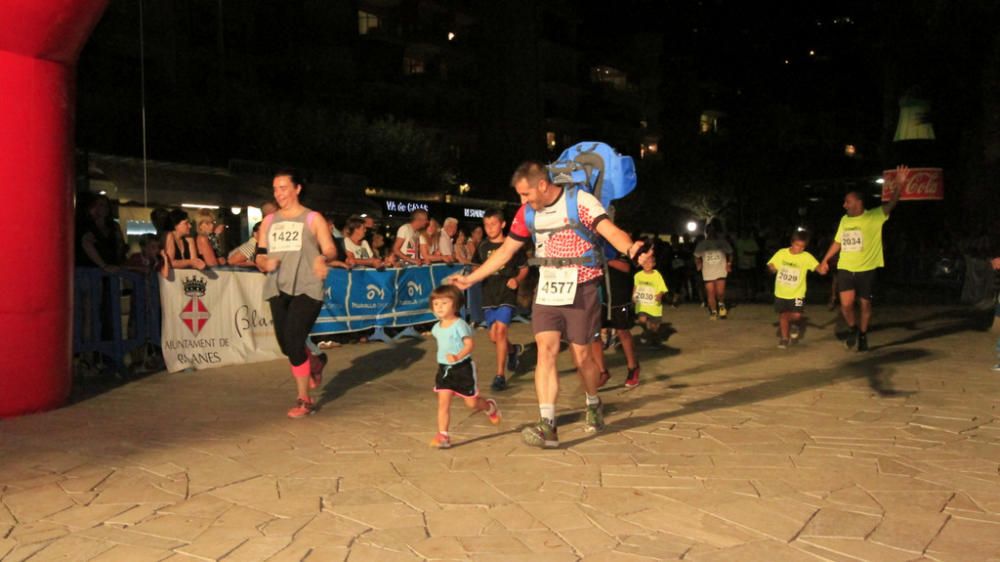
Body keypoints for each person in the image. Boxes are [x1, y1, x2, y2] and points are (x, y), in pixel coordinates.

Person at [450, 161, 651, 448]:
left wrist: (632, 249)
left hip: (582, 286)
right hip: (547, 290)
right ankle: (548, 425)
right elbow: (506, 251)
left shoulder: (580, 202)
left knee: (582, 357)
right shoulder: (527, 212)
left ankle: (593, 401)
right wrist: (472, 279)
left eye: (526, 194)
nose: (522, 201)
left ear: (542, 185)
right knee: (546, 351)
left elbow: (610, 232)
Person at [255, 171, 338, 418]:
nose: (278, 193)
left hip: (308, 286)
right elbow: (259, 253)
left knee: (293, 339)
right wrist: (263, 262)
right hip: (277, 286)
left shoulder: (313, 218)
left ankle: (304, 400)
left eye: (283, 187)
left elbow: (331, 249)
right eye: (275, 189)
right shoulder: (269, 221)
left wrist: (324, 258)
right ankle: (315, 362)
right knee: (286, 346)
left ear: (297, 189)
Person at [819, 165, 907, 351]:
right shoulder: (845, 220)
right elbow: (838, 242)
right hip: (846, 267)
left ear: (858, 202)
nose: (844, 205)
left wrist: (899, 185)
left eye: (847, 202)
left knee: (865, 305)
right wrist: (825, 260)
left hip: (866, 269)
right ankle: (853, 328)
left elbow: (892, 203)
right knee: (846, 305)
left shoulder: (875, 216)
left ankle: (864, 334)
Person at [428, 285, 502, 449]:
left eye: (444, 303)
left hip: (463, 369)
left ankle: (489, 407)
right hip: (444, 370)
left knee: (471, 404)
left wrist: (457, 356)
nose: (439, 307)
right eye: (436, 304)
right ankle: (443, 435)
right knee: (443, 403)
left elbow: (469, 344)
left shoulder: (460, 324)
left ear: (455, 305)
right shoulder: (435, 328)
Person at [472, 209, 528, 391]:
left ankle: (500, 375)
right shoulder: (482, 247)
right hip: (489, 294)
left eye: (493, 224)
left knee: (501, 331)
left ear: (503, 224)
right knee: (494, 336)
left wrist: (517, 280)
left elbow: (524, 268)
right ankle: (513, 351)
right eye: (486, 224)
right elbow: (476, 268)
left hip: (507, 294)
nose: (489, 228)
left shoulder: (512, 245)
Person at [592, 248, 642, 388]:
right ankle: (603, 371)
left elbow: (627, 267)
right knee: (593, 335)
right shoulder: (593, 245)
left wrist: (605, 259)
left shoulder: (621, 246)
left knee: (623, 332)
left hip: (620, 298)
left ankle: (633, 368)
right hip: (600, 298)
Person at [767, 230, 825, 349]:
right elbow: (771, 264)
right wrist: (772, 268)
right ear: (791, 243)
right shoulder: (782, 253)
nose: (799, 248)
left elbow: (818, 267)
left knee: (797, 315)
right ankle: (784, 338)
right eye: (797, 245)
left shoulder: (806, 257)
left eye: (802, 247)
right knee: (783, 315)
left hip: (797, 293)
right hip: (781, 291)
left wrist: (822, 269)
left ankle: (793, 324)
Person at [694, 225, 733, 319]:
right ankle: (714, 311)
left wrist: (729, 264)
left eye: (713, 231)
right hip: (708, 271)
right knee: (710, 292)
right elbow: (696, 256)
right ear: (707, 232)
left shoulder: (722, 243)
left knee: (720, 292)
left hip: (720, 270)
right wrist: (698, 264)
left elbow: (730, 253)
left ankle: (721, 304)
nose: (712, 233)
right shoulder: (702, 244)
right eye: (710, 231)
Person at [634, 254, 668, 348]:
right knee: (642, 320)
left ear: (654, 264)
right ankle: (646, 331)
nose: (647, 264)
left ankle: (654, 340)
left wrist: (660, 295)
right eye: (645, 262)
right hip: (642, 304)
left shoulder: (657, 275)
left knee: (654, 326)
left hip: (654, 305)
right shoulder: (638, 275)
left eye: (649, 262)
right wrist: (634, 295)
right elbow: (636, 286)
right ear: (641, 264)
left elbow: (662, 288)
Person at [734, 229, 761, 302]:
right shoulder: (738, 241)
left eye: (745, 233)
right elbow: (735, 252)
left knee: (751, 281)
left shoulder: (752, 241)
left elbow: (757, 251)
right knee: (743, 281)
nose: (744, 234)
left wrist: (748, 253)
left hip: (751, 265)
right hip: (741, 264)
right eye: (743, 233)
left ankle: (752, 297)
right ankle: (744, 297)